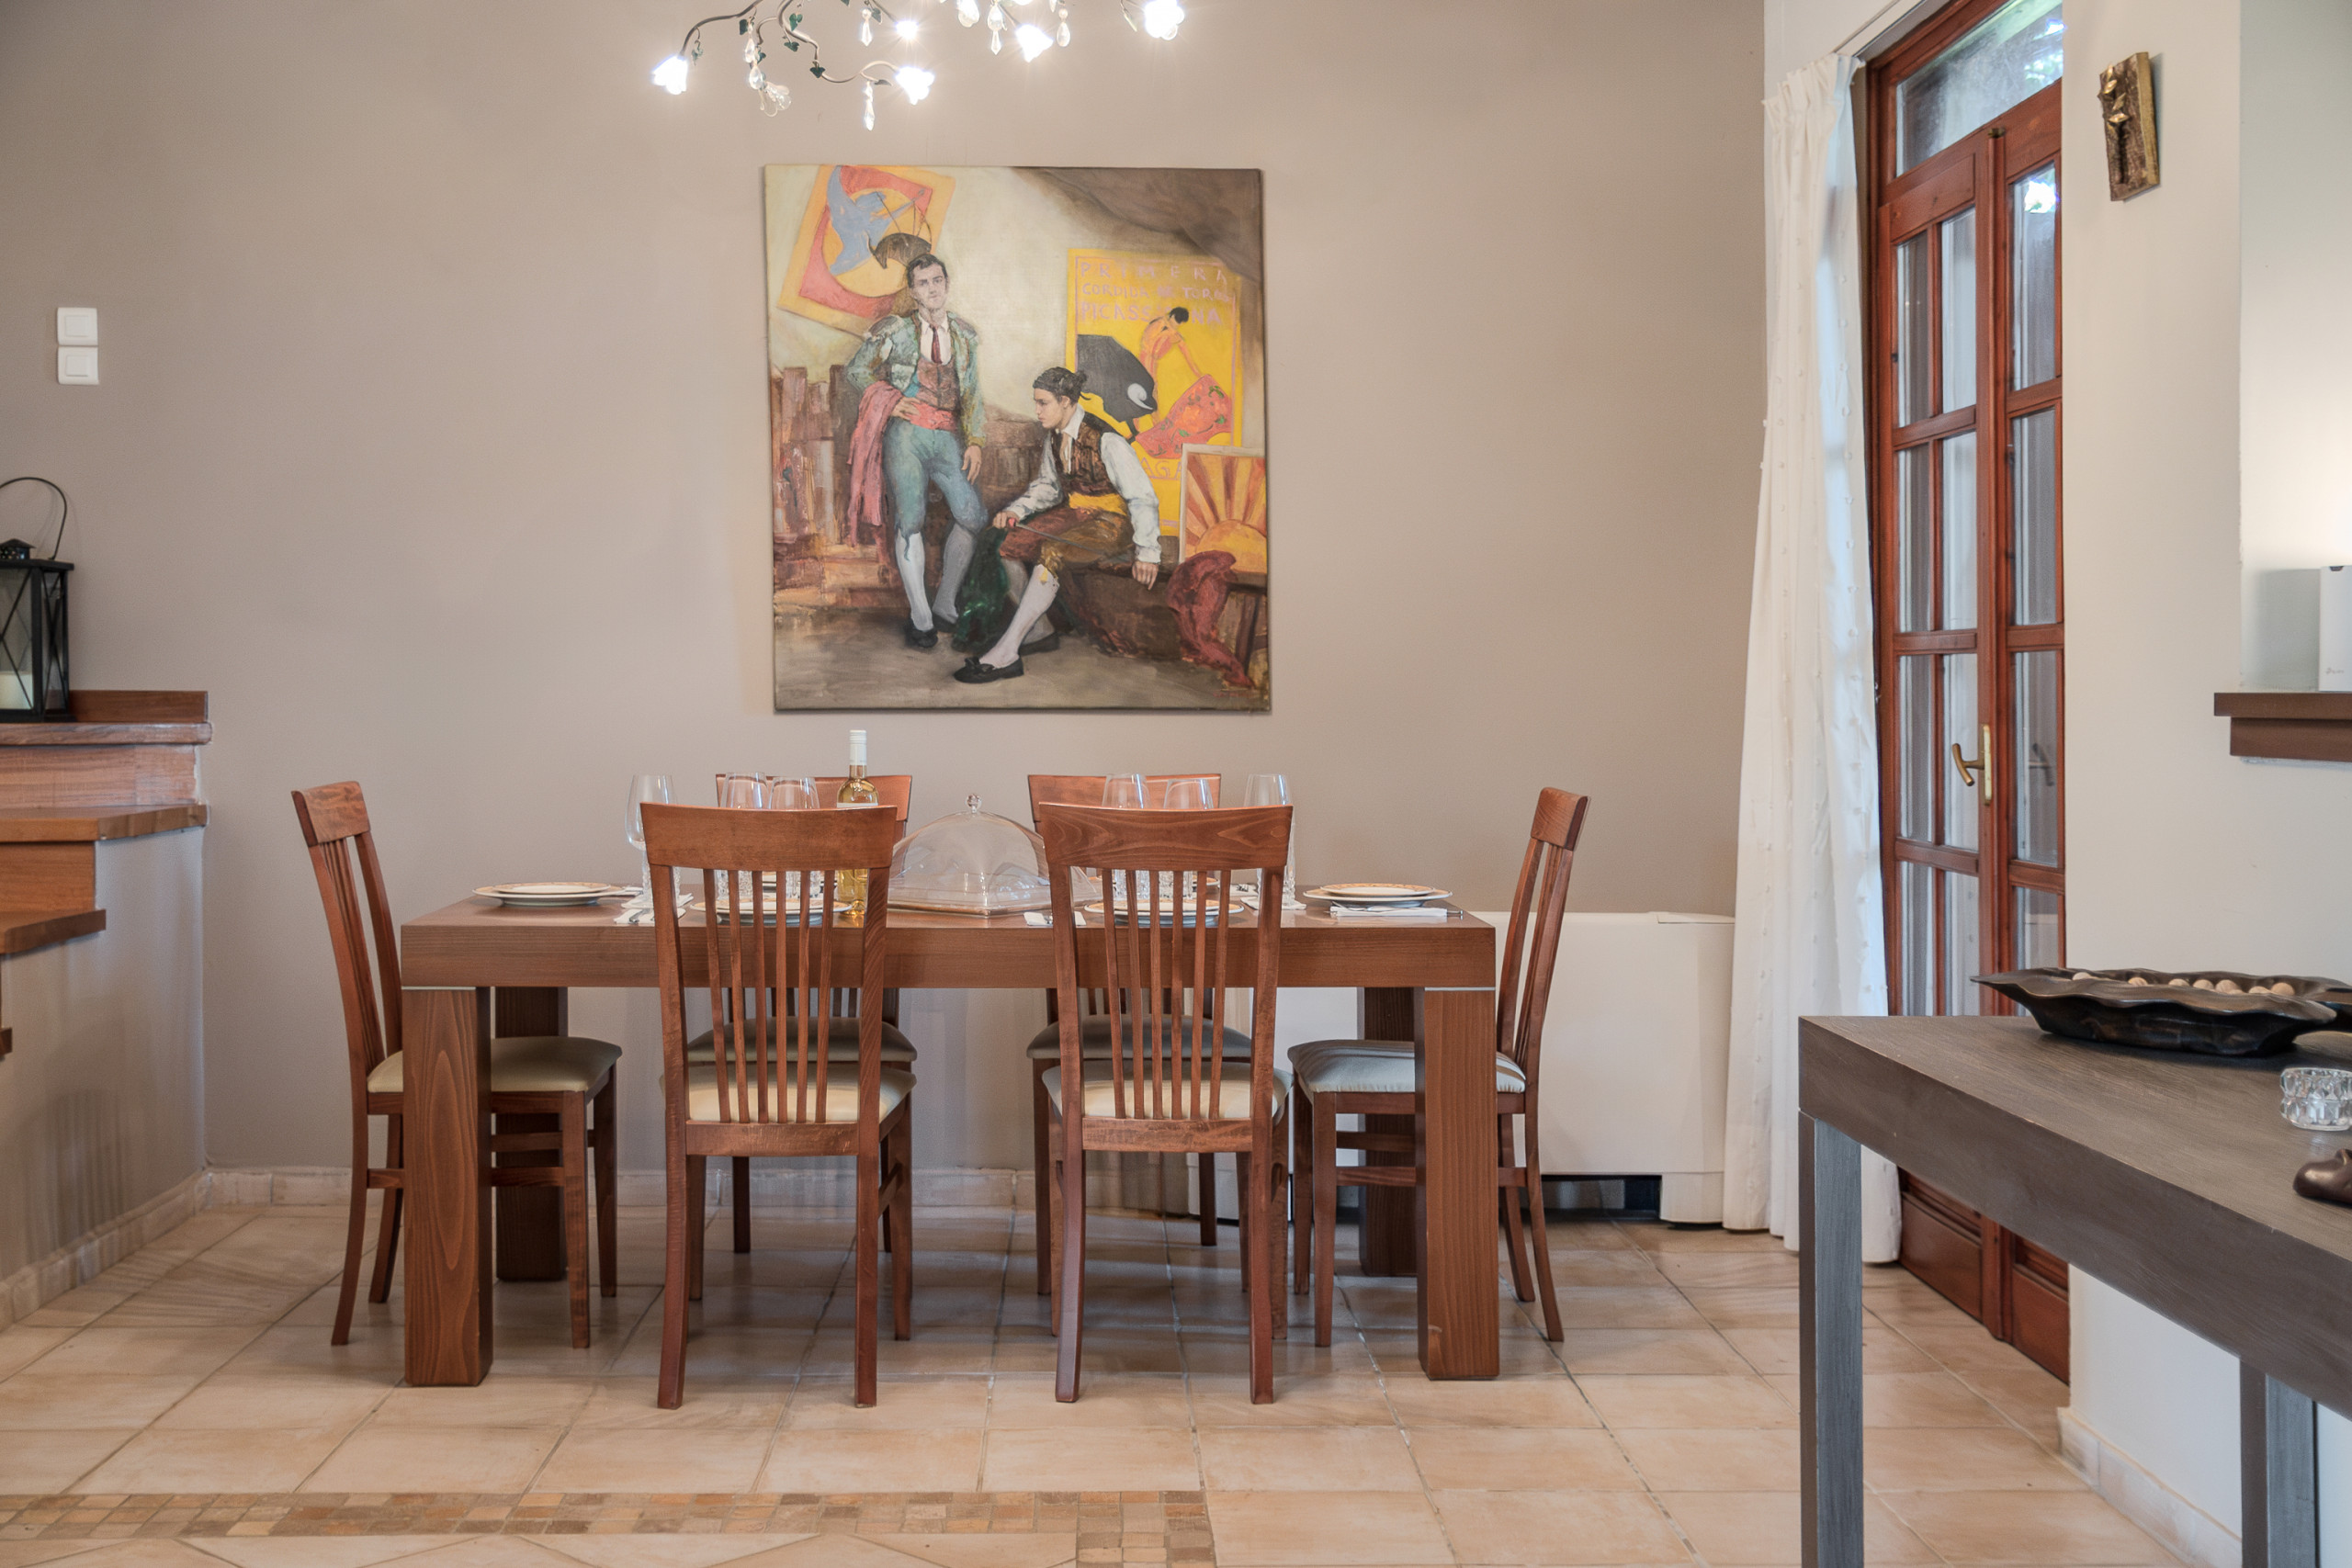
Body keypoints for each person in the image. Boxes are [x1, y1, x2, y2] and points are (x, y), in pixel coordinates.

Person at [956, 367, 1160, 684]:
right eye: (1036, 403)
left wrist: (1147, 551)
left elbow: (1142, 497)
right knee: (1007, 544)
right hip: (1076, 514)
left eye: (1043, 403)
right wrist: (1016, 510)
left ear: (1065, 402)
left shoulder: (1107, 440)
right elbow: (1049, 488)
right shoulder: (1054, 436)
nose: (1037, 411)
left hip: (1113, 522)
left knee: (1051, 550)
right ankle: (1039, 629)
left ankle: (1007, 652)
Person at [845, 253, 988, 649]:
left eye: (938, 280)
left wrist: (976, 441)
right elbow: (856, 371)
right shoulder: (896, 330)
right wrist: (891, 400)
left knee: (972, 515)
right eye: (924, 283)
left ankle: (944, 604)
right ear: (912, 291)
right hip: (906, 436)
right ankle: (922, 619)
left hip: (948, 437)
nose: (933, 289)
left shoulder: (964, 335)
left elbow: (973, 393)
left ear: (947, 284)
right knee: (910, 520)